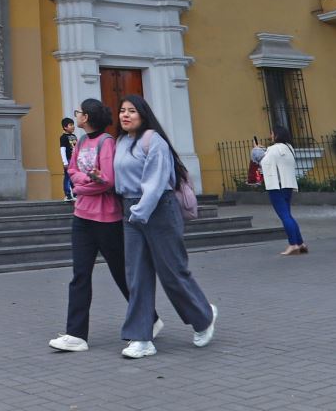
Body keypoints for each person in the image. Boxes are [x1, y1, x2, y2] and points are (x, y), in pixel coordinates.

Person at [48, 99, 163, 352]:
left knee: (122, 274)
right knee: (80, 275)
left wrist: (82, 185)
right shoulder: (81, 142)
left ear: (86, 117)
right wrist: (83, 183)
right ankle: (76, 335)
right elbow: (73, 171)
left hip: (107, 219)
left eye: (78, 112)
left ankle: (150, 318)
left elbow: (108, 180)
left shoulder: (106, 142)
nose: (76, 115)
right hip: (82, 217)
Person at [113, 94, 216, 359]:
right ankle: (141, 338)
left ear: (143, 114)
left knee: (172, 272)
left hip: (158, 209)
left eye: (132, 111)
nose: (125, 115)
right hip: (132, 212)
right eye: (122, 111)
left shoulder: (153, 141)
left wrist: (139, 212)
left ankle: (203, 317)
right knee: (136, 276)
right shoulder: (121, 142)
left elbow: (156, 182)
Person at [260, 127, 306, 255]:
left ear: (277, 135)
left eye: (272, 133)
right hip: (288, 185)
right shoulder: (289, 148)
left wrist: (257, 152)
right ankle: (300, 243)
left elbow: (264, 163)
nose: (270, 136)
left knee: (285, 216)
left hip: (276, 186)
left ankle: (293, 245)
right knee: (288, 215)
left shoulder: (273, 149)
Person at [57, 117, 78, 201]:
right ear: (65, 127)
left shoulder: (74, 136)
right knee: (68, 177)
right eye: (71, 125)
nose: (73, 127)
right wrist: (65, 162)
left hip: (75, 160)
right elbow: (62, 149)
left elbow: (77, 148)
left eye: (73, 125)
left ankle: (75, 193)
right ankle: (68, 194)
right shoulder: (63, 137)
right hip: (68, 160)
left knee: (74, 177)